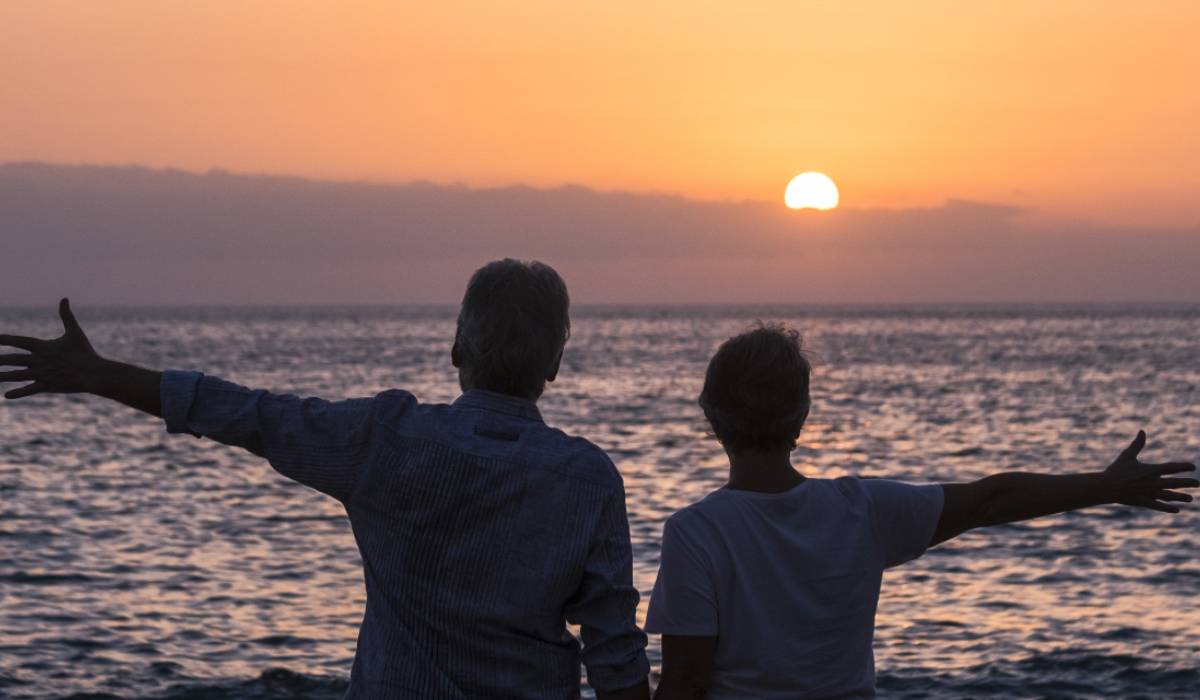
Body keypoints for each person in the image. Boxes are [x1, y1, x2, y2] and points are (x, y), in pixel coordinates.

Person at [0, 260, 650, 700]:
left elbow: (242, 412)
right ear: (556, 361)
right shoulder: (586, 480)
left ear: (456, 349)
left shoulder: (383, 439)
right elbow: (615, 654)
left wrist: (97, 374)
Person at [646, 323, 1196, 700]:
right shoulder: (862, 510)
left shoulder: (696, 533)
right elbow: (992, 497)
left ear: (711, 417)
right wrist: (1104, 486)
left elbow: (686, 686)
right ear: (802, 416)